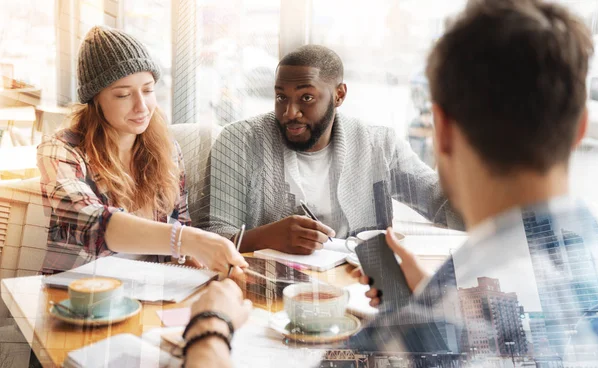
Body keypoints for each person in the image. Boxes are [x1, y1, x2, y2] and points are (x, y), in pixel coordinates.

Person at [349, 0, 598, 364]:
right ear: (579, 129)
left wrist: (230, 321)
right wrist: (440, 294)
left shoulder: (398, 342)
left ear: (443, 131)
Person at [199, 45, 463, 254]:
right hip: (264, 291)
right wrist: (265, 237)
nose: (290, 112)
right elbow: (209, 238)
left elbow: (440, 201)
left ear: (339, 95)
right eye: (281, 97)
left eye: (306, 98)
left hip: (360, 289)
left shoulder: (378, 145)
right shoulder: (238, 141)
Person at [37, 26, 247, 275]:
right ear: (95, 100)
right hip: (79, 299)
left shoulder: (166, 148)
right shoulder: (60, 151)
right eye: (123, 94)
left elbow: (180, 223)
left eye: (148, 90)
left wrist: (186, 258)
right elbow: (90, 223)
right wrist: (188, 240)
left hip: (152, 292)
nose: (142, 106)